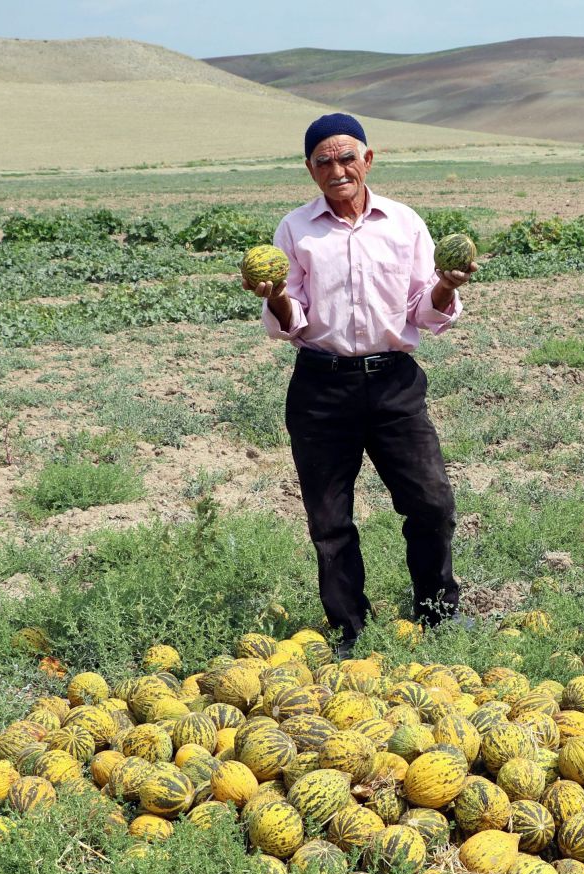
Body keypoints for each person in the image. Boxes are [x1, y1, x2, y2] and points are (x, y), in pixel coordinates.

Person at [245, 113, 477, 656]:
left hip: (394, 383)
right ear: (309, 169)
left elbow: (424, 310)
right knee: (329, 520)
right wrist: (275, 296)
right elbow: (291, 319)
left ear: (368, 160)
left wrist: (446, 286)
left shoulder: (403, 223)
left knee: (432, 504)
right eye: (324, 162)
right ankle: (350, 628)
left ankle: (438, 612)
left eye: (347, 158)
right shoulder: (295, 230)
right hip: (321, 388)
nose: (337, 170)